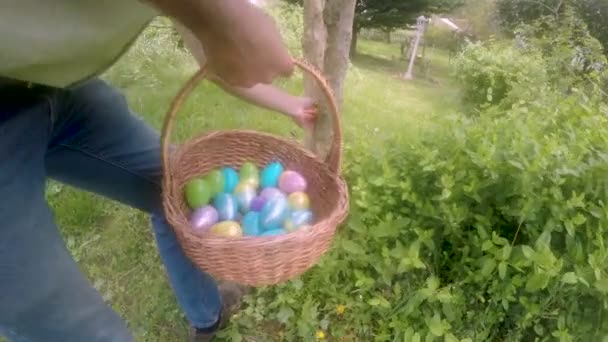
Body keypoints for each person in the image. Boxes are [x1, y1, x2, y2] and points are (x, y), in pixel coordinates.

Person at [0, 1, 315, 341]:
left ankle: (208, 316)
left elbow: (216, 51)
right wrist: (228, 16)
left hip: (59, 89)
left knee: (178, 189)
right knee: (79, 329)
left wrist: (291, 104)